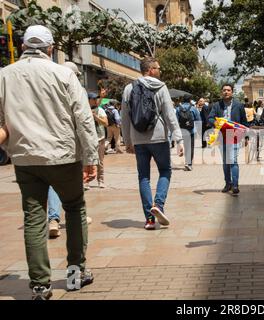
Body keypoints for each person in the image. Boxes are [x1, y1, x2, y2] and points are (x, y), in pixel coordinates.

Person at [0, 25, 98, 299]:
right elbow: (83, 119)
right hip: (63, 156)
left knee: (34, 218)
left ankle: (40, 285)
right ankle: (76, 274)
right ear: (51, 48)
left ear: (22, 47)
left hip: (25, 158)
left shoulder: (4, 76)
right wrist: (91, 158)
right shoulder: (64, 74)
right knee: (75, 207)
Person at [122, 57, 184, 230]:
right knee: (165, 170)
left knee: (144, 177)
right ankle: (158, 204)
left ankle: (149, 219)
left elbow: (124, 118)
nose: (160, 70)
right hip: (158, 138)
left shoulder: (128, 88)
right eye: (157, 67)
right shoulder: (161, 87)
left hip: (139, 139)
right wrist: (179, 138)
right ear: (150, 70)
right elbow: (170, 115)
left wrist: (128, 141)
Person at [208, 84, 249, 195]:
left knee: (233, 160)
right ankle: (228, 183)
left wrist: (246, 137)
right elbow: (210, 118)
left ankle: (235, 185)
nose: (226, 92)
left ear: (232, 92)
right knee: (226, 161)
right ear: (222, 92)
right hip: (221, 135)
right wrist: (217, 122)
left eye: (228, 90)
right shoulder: (217, 105)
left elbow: (244, 122)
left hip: (234, 135)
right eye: (224, 90)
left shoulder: (239, 105)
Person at [87, 92, 108, 189]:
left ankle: (101, 180)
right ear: (89, 100)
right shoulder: (85, 110)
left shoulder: (100, 110)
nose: (95, 100)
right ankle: (86, 181)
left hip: (100, 138)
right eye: (93, 99)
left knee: (100, 160)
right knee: (88, 161)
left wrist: (96, 117)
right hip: (88, 139)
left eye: (96, 99)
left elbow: (106, 123)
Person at [176, 94, 201, 171]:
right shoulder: (193, 108)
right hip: (191, 130)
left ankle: (186, 160)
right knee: (190, 147)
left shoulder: (178, 109)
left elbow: (176, 120)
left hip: (182, 130)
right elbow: (198, 120)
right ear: (190, 100)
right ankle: (189, 163)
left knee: (185, 146)